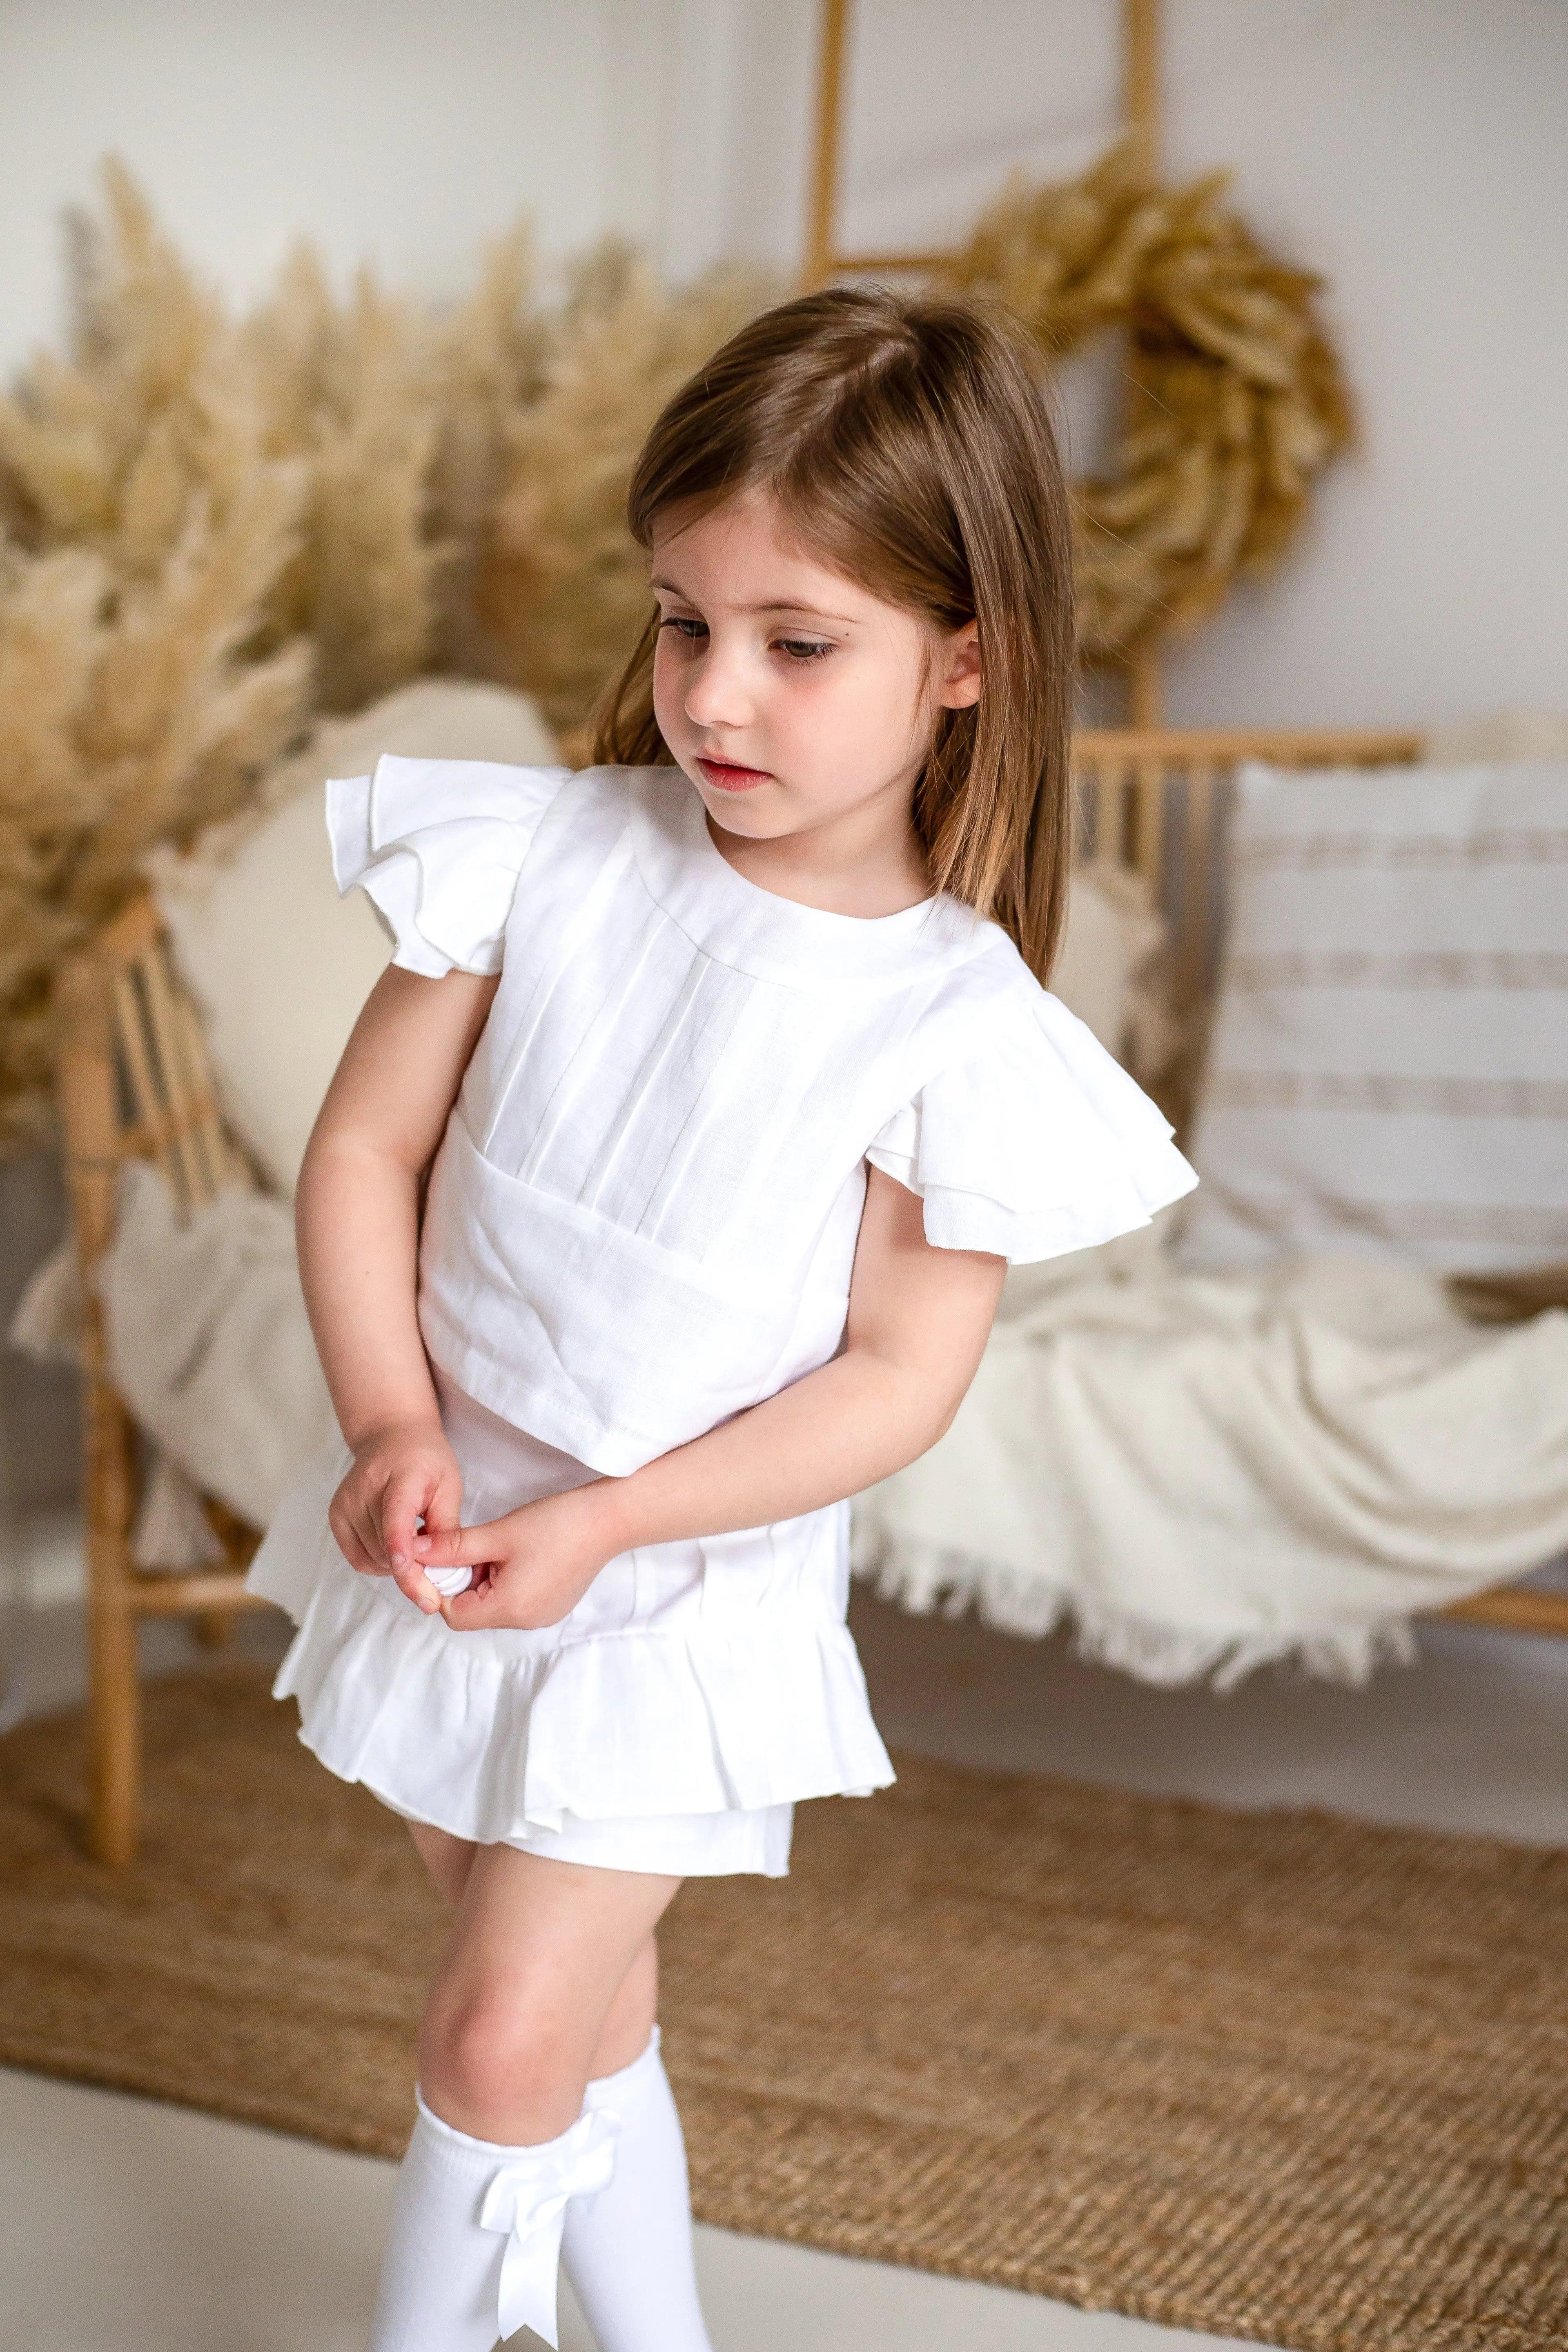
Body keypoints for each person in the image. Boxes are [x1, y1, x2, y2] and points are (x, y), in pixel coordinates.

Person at [247, 283, 1196, 2352]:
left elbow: (894, 1379)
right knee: (589, 2010)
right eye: (685, 622)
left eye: (797, 643)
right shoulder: (547, 855)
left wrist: (611, 1520)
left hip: (677, 1589)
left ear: (968, 659)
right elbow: (361, 1161)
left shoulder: (953, 1024)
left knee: (502, 2036)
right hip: (451, 1527)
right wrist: (396, 1424)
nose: (715, 696)